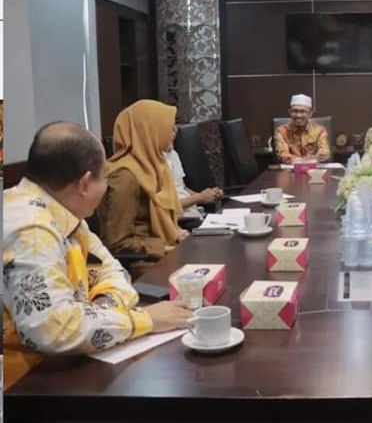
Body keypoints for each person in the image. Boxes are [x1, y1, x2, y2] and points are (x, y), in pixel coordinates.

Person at [2, 121, 191, 388]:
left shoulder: (63, 213)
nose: (106, 186)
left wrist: (94, 315)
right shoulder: (30, 229)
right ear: (84, 183)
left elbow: (116, 273)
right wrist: (147, 319)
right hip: (23, 383)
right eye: (105, 177)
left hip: (61, 365)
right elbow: (53, 329)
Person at [97, 99, 188, 277]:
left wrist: (175, 233)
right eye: (168, 126)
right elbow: (118, 243)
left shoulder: (154, 165)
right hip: (143, 263)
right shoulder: (125, 175)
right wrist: (163, 247)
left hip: (164, 251)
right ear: (148, 131)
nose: (174, 131)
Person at [164, 125, 223, 220]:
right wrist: (199, 197)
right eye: (170, 129)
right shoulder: (151, 163)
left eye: (174, 128)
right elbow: (167, 206)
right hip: (180, 219)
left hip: (194, 212)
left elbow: (182, 188)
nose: (175, 132)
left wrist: (207, 195)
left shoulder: (173, 153)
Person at [273, 94, 330, 163]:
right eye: (295, 111)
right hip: (290, 168)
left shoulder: (320, 130)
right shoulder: (281, 131)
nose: (298, 115)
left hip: (314, 169)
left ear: (310, 113)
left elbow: (324, 153)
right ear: (289, 112)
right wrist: (310, 159)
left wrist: (321, 155)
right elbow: (283, 155)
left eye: (303, 111)